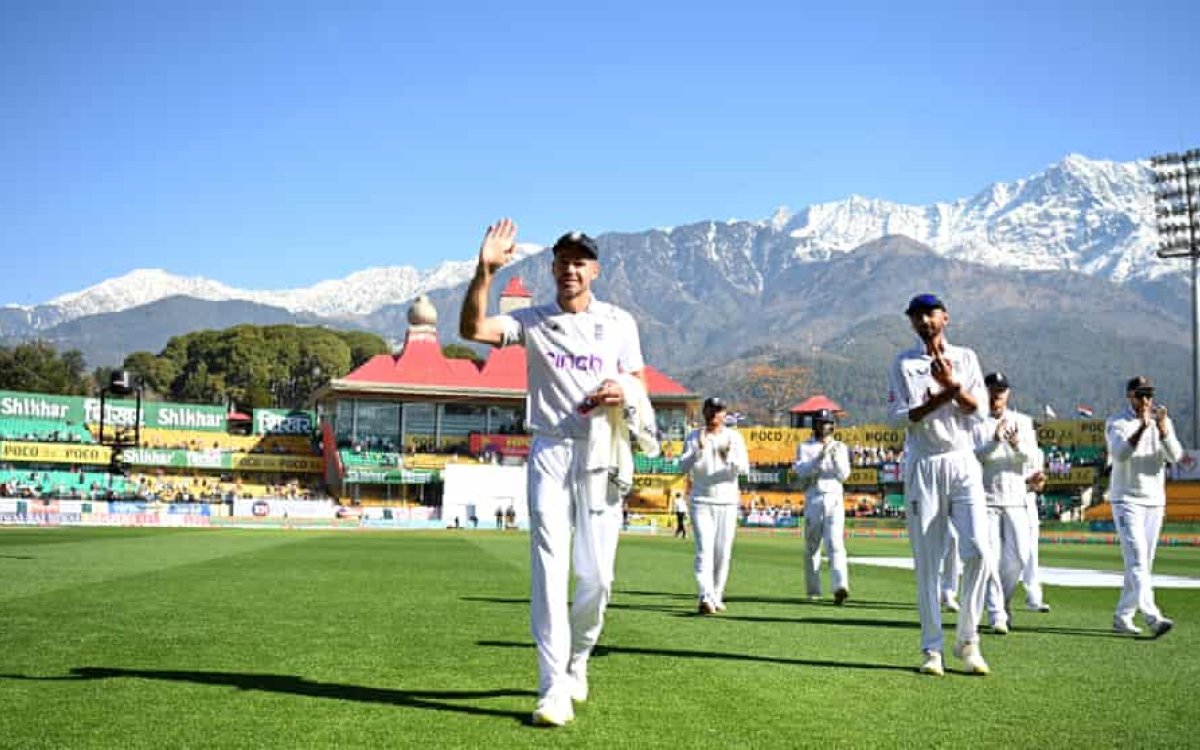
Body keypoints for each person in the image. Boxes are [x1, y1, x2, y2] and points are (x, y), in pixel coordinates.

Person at [459, 218, 650, 727]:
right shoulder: (534, 320)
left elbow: (638, 381)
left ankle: (579, 658)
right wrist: (484, 273)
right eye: (563, 260)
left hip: (602, 450)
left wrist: (622, 393)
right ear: (552, 269)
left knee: (598, 577)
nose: (571, 268)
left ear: (596, 270)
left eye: (580, 261)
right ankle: (551, 687)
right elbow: (473, 330)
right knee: (548, 567)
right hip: (549, 449)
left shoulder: (619, 322)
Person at [887, 293, 991, 676]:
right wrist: (940, 398)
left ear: (945, 317)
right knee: (928, 562)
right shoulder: (904, 363)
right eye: (916, 316)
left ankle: (968, 639)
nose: (924, 321)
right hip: (924, 463)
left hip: (963, 459)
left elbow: (978, 410)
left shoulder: (967, 357)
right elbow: (899, 418)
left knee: (979, 549)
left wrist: (952, 388)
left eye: (930, 314)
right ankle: (932, 650)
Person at [1106, 376, 1183, 638]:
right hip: (1126, 499)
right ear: (1130, 396)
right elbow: (1119, 454)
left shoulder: (1162, 421)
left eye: (1149, 394)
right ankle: (1153, 616)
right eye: (1140, 395)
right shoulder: (1117, 422)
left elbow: (1176, 456)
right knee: (1138, 560)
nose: (1146, 400)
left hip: (1154, 500)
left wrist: (1162, 430)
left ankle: (1122, 616)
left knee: (1142, 563)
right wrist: (1141, 427)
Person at [972, 372, 1040, 635]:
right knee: (991, 558)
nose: (996, 394)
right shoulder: (975, 421)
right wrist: (994, 441)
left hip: (1015, 498)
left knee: (1020, 558)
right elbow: (972, 456)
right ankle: (996, 613)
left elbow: (1031, 458)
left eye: (1001, 390)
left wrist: (1015, 444)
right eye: (992, 389)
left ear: (1007, 393)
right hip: (986, 498)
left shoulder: (1022, 422)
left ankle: (1004, 601)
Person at [679, 396, 749, 614]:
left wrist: (729, 458)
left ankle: (717, 594)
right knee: (704, 549)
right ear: (705, 413)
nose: (714, 415)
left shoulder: (734, 438)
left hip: (727, 501)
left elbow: (745, 469)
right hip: (701, 499)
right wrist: (697, 451)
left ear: (724, 414)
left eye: (719, 411)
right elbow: (681, 467)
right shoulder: (693, 436)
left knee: (722, 551)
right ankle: (705, 595)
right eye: (711, 410)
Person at [793, 408, 852, 604]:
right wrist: (819, 458)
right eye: (820, 422)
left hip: (834, 497)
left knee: (835, 543)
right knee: (812, 546)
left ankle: (840, 586)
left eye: (826, 423)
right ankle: (813, 590)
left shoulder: (840, 447)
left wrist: (833, 457)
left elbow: (844, 475)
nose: (823, 426)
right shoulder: (805, 447)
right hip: (814, 497)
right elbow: (801, 471)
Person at [1022, 450, 1052, 612]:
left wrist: (1037, 483)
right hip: (1002, 503)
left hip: (1028, 504)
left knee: (1032, 554)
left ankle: (1034, 597)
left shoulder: (1037, 452)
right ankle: (993, 598)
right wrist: (1026, 482)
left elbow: (1039, 485)